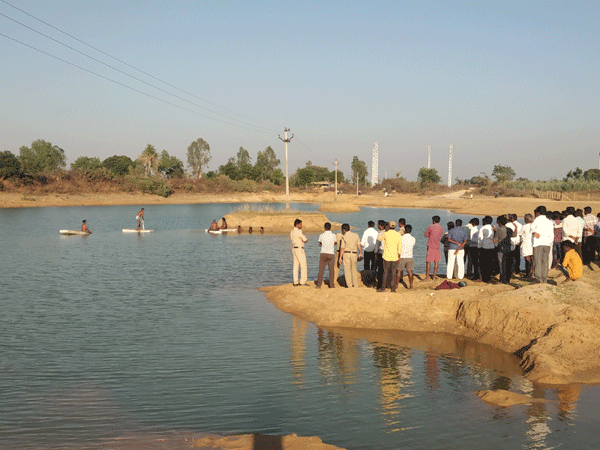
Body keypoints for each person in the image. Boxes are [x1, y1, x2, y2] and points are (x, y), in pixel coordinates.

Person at [531, 205, 554, 284]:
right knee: (545, 261)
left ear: (538, 213)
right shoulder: (549, 221)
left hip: (538, 243)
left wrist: (534, 232)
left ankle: (538, 278)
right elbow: (552, 234)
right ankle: (544, 278)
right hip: (547, 243)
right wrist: (550, 242)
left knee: (538, 261)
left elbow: (532, 227)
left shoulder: (537, 219)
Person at [377, 222, 401, 292]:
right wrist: (399, 255)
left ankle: (383, 288)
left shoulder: (386, 234)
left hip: (386, 256)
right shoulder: (398, 234)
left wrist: (384, 231)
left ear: (389, 226)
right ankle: (393, 289)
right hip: (395, 257)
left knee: (385, 272)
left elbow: (379, 238)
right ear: (395, 227)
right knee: (393, 273)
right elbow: (399, 247)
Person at [339, 223, 363, 288]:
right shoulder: (356, 235)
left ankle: (349, 285)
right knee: (354, 270)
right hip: (354, 254)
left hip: (346, 253)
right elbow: (359, 245)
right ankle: (355, 285)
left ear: (344, 230)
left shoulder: (344, 237)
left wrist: (340, 257)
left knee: (347, 270)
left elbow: (342, 248)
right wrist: (360, 253)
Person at [316, 222, 336, 289]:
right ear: (330, 227)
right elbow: (335, 243)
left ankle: (319, 285)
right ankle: (331, 285)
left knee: (321, 270)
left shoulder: (321, 235)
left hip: (323, 253)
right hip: (331, 253)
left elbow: (320, 244)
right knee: (331, 270)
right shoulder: (333, 235)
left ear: (324, 228)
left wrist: (322, 245)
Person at [494, 215, 513, 284]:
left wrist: (494, 232)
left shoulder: (499, 230)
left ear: (499, 222)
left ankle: (502, 280)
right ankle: (507, 279)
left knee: (501, 265)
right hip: (508, 248)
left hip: (501, 249)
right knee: (507, 264)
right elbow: (514, 235)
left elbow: (495, 240)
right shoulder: (509, 229)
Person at [424, 216, 443, 280]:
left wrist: (430, 236)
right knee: (436, 262)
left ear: (433, 221)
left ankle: (427, 277)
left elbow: (425, 234)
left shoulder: (431, 227)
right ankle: (434, 276)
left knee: (428, 262)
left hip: (431, 246)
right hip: (437, 246)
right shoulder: (441, 228)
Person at [290, 219, 308, 286]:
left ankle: (295, 281)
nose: (301, 225)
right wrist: (303, 237)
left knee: (295, 265)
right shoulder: (298, 231)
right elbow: (305, 239)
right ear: (297, 225)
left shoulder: (292, 231)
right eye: (300, 224)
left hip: (294, 248)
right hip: (299, 248)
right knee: (303, 265)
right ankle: (302, 281)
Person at [397, 224, 416, 289]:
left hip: (402, 256)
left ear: (404, 230)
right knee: (410, 271)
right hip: (410, 256)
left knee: (399, 271)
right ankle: (411, 285)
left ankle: (396, 285)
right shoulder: (413, 239)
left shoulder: (401, 238)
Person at [478, 215, 496, 283]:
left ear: (484, 221)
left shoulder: (483, 228)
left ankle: (484, 278)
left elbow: (480, 239)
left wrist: (479, 247)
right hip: (492, 247)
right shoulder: (493, 228)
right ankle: (489, 277)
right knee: (490, 263)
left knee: (484, 264)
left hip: (484, 248)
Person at [519, 214, 534, 279]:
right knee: (533, 259)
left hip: (526, 244)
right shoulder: (534, 226)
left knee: (527, 259)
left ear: (527, 220)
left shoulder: (524, 226)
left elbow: (520, 234)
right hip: (533, 243)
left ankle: (528, 273)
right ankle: (532, 272)